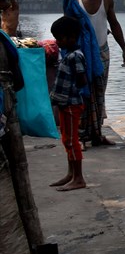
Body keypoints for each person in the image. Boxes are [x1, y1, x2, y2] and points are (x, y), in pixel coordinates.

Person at [73, 0, 125, 146]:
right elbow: (69, 28)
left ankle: (97, 134)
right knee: (82, 93)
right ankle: (81, 135)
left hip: (102, 52)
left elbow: (114, 24)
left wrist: (124, 49)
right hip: (81, 54)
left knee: (99, 94)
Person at [48, 17, 88, 191]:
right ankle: (71, 174)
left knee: (72, 141)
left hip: (72, 104)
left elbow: (81, 80)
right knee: (66, 139)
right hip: (65, 104)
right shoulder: (67, 55)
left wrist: (70, 91)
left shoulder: (76, 56)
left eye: (60, 38)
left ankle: (79, 178)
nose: (57, 41)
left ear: (71, 37)